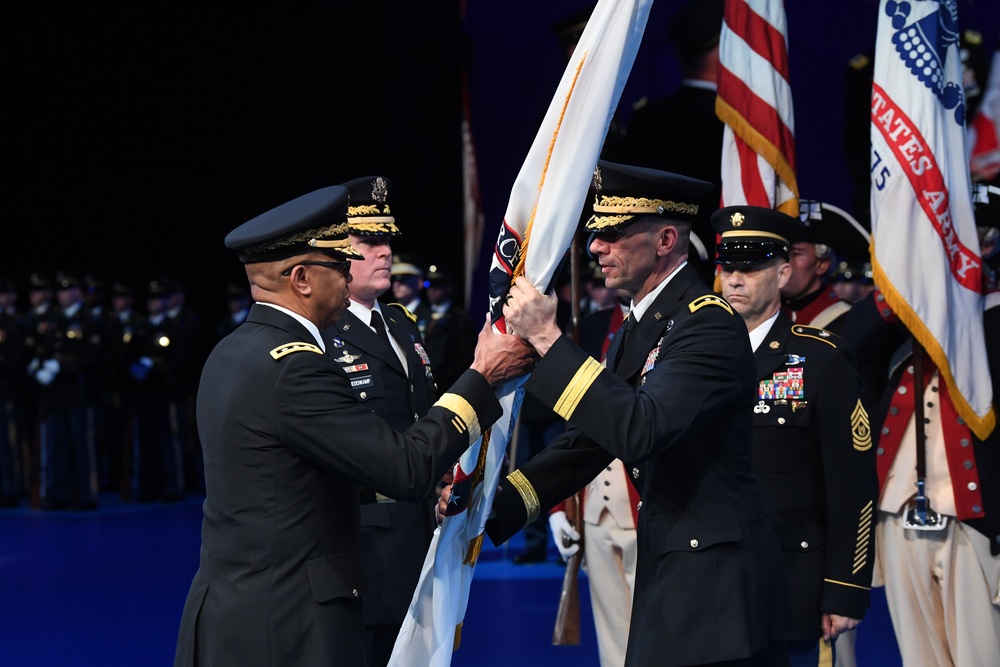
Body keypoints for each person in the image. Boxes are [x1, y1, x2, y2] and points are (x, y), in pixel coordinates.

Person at [173, 184, 534, 667]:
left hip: (243, 607)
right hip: (286, 625)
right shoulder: (294, 366)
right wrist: (484, 375)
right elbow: (403, 467)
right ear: (301, 278)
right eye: (339, 265)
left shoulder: (234, 351)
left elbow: (296, 478)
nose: (348, 277)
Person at [486, 160, 791, 666]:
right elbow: (591, 441)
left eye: (612, 233)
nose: (595, 247)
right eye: (595, 233)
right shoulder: (647, 323)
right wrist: (496, 506)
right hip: (677, 568)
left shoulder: (707, 323)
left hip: (715, 588)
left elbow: (640, 430)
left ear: (665, 239)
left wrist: (546, 337)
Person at [713, 205, 878, 667]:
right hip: (712, 583)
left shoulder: (822, 358)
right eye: (728, 267)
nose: (736, 279)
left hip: (792, 583)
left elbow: (854, 484)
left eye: (752, 266)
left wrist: (846, 587)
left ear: (784, 273)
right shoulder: (696, 356)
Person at [843, 187, 1000, 667]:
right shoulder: (902, 319)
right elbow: (841, 350)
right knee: (920, 658)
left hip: (976, 520)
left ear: (987, 243)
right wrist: (898, 297)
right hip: (899, 512)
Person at [318, 175, 439, 667]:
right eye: (368, 242)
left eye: (386, 239)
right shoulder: (324, 332)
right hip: (366, 532)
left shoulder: (399, 322)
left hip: (418, 523)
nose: (384, 251)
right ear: (337, 254)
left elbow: (421, 411)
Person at [547, 284, 636, 667]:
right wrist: (557, 506)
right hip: (592, 508)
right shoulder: (593, 327)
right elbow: (569, 422)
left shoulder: (681, 326)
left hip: (649, 508)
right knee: (613, 644)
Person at [614, 0, 725, 287]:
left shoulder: (647, 117)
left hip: (653, 267)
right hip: (720, 264)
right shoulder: (732, 124)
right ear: (725, 51)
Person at [31, 272, 102, 510]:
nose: (62, 295)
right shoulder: (54, 320)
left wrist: (63, 366)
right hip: (56, 394)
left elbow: (93, 358)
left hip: (79, 392)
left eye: (67, 290)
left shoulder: (89, 320)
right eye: (60, 291)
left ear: (77, 293)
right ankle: (61, 493)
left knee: (82, 446)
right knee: (58, 446)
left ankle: (86, 494)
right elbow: (46, 349)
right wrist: (40, 366)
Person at [782, 200, 871, 334]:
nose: (785, 262)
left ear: (822, 265)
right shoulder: (769, 316)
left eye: (796, 253)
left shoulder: (848, 322)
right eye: (782, 252)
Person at [421, 264, 477, 393]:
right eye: (428, 284)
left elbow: (466, 357)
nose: (432, 289)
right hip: (425, 385)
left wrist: (446, 374)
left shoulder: (461, 319)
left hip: (450, 386)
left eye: (438, 284)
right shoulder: (421, 315)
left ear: (449, 287)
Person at [389, 254, 432, 336]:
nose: (396, 284)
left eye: (402, 279)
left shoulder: (430, 317)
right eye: (393, 279)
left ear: (419, 283)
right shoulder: (388, 314)